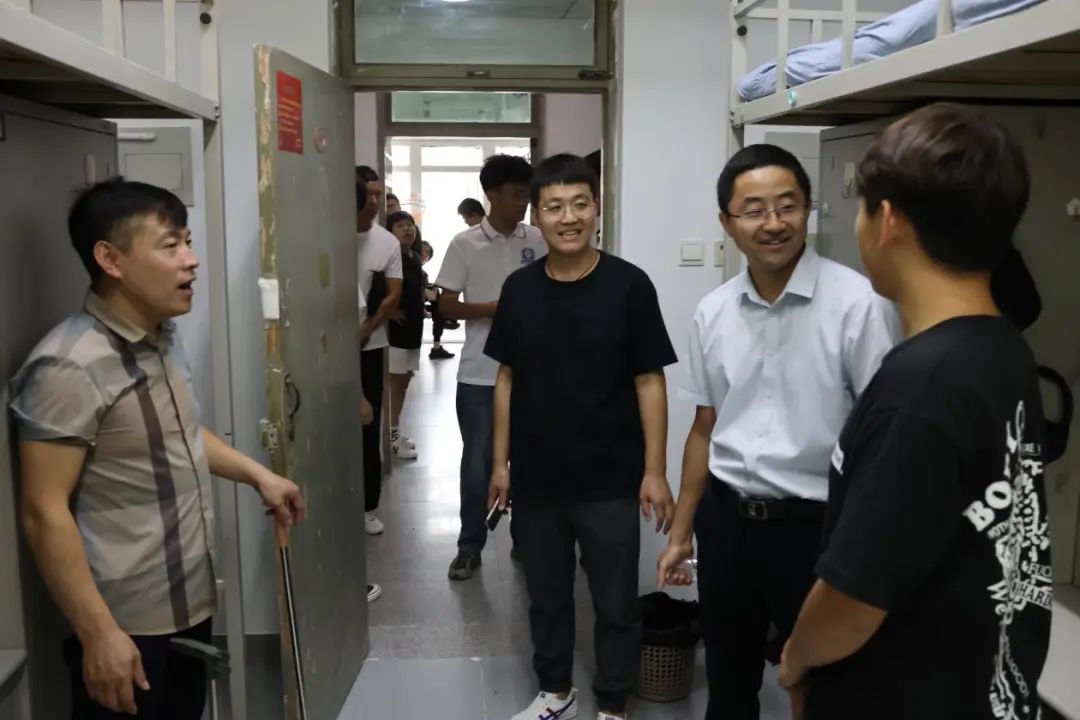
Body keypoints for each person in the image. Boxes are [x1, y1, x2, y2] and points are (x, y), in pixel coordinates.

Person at [778, 103, 1052, 720]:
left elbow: (853, 598)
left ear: (889, 221)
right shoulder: (1001, 346)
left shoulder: (921, 388)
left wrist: (795, 656)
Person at [10, 178, 305, 720]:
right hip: (124, 626)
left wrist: (257, 475)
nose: (191, 260)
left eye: (188, 242)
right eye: (170, 246)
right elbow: (42, 511)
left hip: (188, 602)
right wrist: (98, 634)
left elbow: (180, 434)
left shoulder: (162, 336)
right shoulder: (68, 365)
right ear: (110, 259)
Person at [656, 144, 899, 720]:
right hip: (728, 523)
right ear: (727, 223)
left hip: (817, 529)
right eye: (754, 210)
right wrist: (682, 532)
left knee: (825, 685)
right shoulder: (713, 311)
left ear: (808, 210)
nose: (773, 223)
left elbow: (884, 438)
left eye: (787, 206)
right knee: (728, 681)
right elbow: (704, 428)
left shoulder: (860, 305)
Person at [487, 154, 678, 720]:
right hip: (538, 478)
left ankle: (613, 703)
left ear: (596, 208)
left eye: (579, 204)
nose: (567, 217)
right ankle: (556, 692)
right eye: (554, 207)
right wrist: (499, 464)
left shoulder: (629, 285)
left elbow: (650, 381)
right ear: (537, 215)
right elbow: (506, 379)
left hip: (611, 477)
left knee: (615, 601)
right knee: (546, 595)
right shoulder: (519, 289)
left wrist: (655, 470)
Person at [437, 155, 546, 581]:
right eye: (516, 194)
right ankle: (469, 546)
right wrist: (491, 309)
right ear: (491, 194)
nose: (523, 203)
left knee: (530, 462)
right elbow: (445, 305)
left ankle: (526, 540)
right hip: (479, 374)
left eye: (526, 195)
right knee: (478, 466)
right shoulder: (464, 244)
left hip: (533, 374)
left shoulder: (538, 239)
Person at [356, 165, 403, 538]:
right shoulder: (329, 234)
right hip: (327, 347)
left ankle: (367, 506)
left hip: (369, 346)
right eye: (368, 194)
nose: (374, 202)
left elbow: (393, 294)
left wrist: (368, 329)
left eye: (378, 195)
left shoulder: (386, 242)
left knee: (368, 425)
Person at [386, 210, 425, 460]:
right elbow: (377, 289)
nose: (407, 229)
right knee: (395, 386)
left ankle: (394, 432)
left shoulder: (413, 257)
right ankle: (390, 437)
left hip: (414, 329)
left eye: (409, 225)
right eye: (400, 225)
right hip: (396, 333)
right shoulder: (390, 258)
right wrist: (388, 312)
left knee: (404, 382)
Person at [420, 240, 455, 360]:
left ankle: (436, 347)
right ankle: (447, 318)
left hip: (420, 303)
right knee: (438, 307)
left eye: (427, 252)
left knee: (436, 294)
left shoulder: (423, 274)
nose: (424, 254)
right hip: (411, 303)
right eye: (422, 250)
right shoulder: (407, 268)